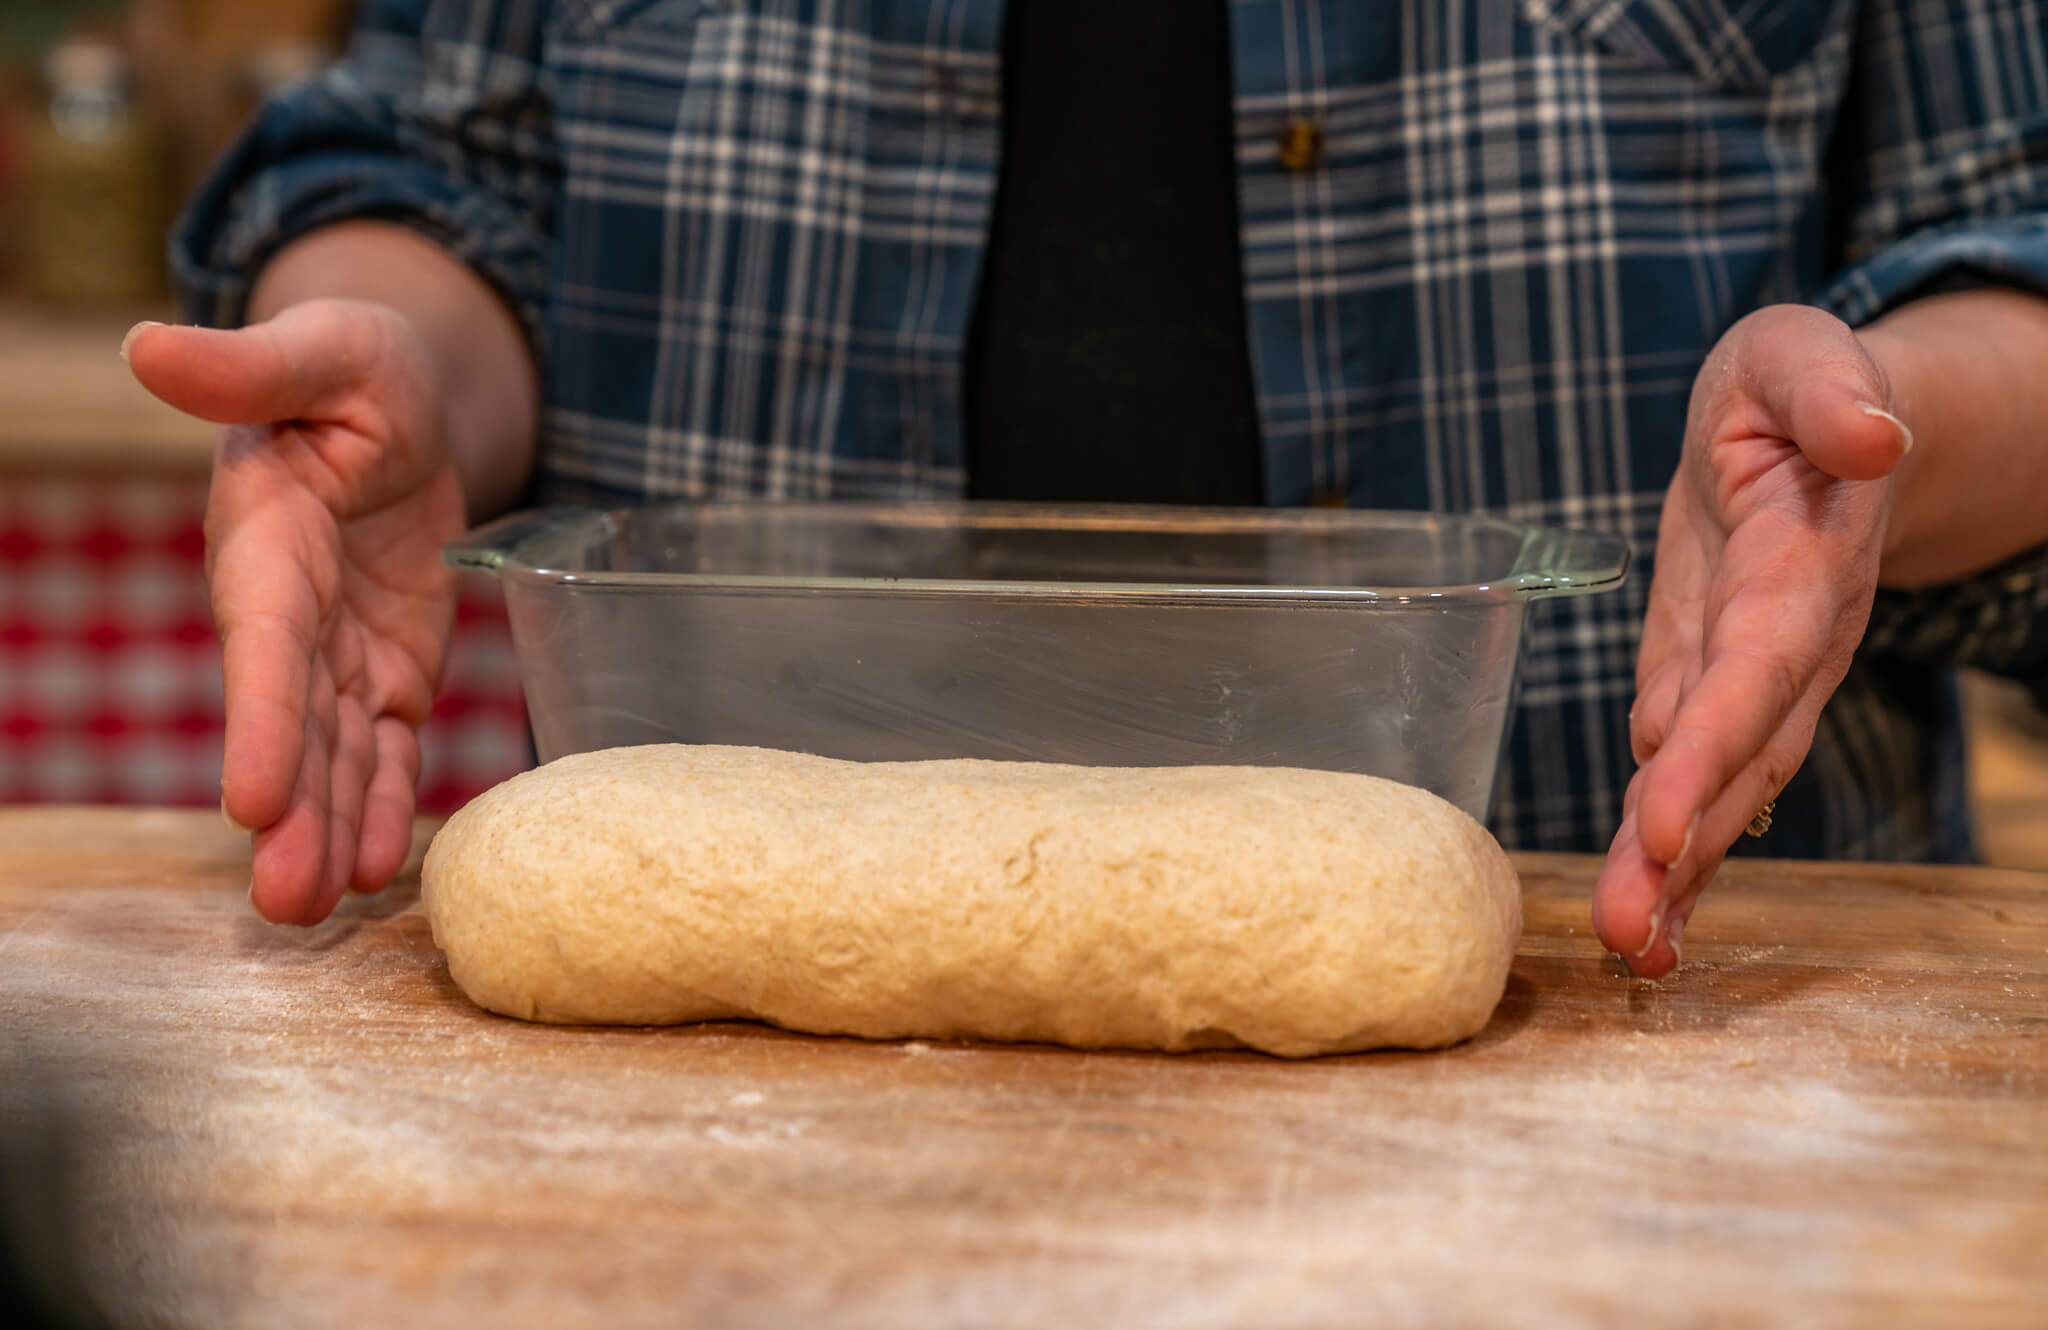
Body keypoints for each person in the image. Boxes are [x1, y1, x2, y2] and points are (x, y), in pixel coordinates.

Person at [126, 0, 2048, 978]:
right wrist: (376, 334)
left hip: (1681, 976)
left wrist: (1881, 422)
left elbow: (2011, 221)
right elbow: (443, 162)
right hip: (693, 1159)